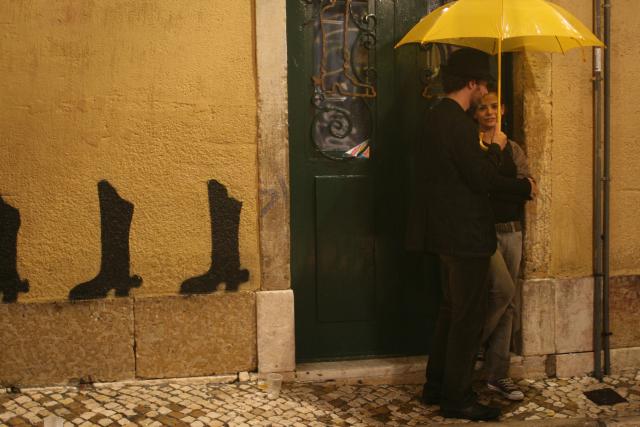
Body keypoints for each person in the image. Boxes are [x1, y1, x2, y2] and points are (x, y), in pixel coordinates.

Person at [406, 48, 536, 421]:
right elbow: (480, 180)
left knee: (451, 312)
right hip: (465, 235)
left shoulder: (434, 117)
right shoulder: (458, 123)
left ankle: (436, 386)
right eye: (483, 85)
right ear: (473, 84)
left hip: (445, 234)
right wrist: (499, 153)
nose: (486, 95)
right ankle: (457, 397)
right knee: (467, 317)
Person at [474, 90, 533, 401]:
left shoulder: (513, 148)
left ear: (504, 109)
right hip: (483, 233)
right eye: (482, 107)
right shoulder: (474, 147)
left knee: (509, 304)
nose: (489, 112)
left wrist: (505, 187)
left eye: (494, 106)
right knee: (500, 292)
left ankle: (497, 375)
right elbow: (480, 186)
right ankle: (464, 353)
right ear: (474, 114)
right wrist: (511, 187)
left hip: (512, 231)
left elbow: (529, 186)